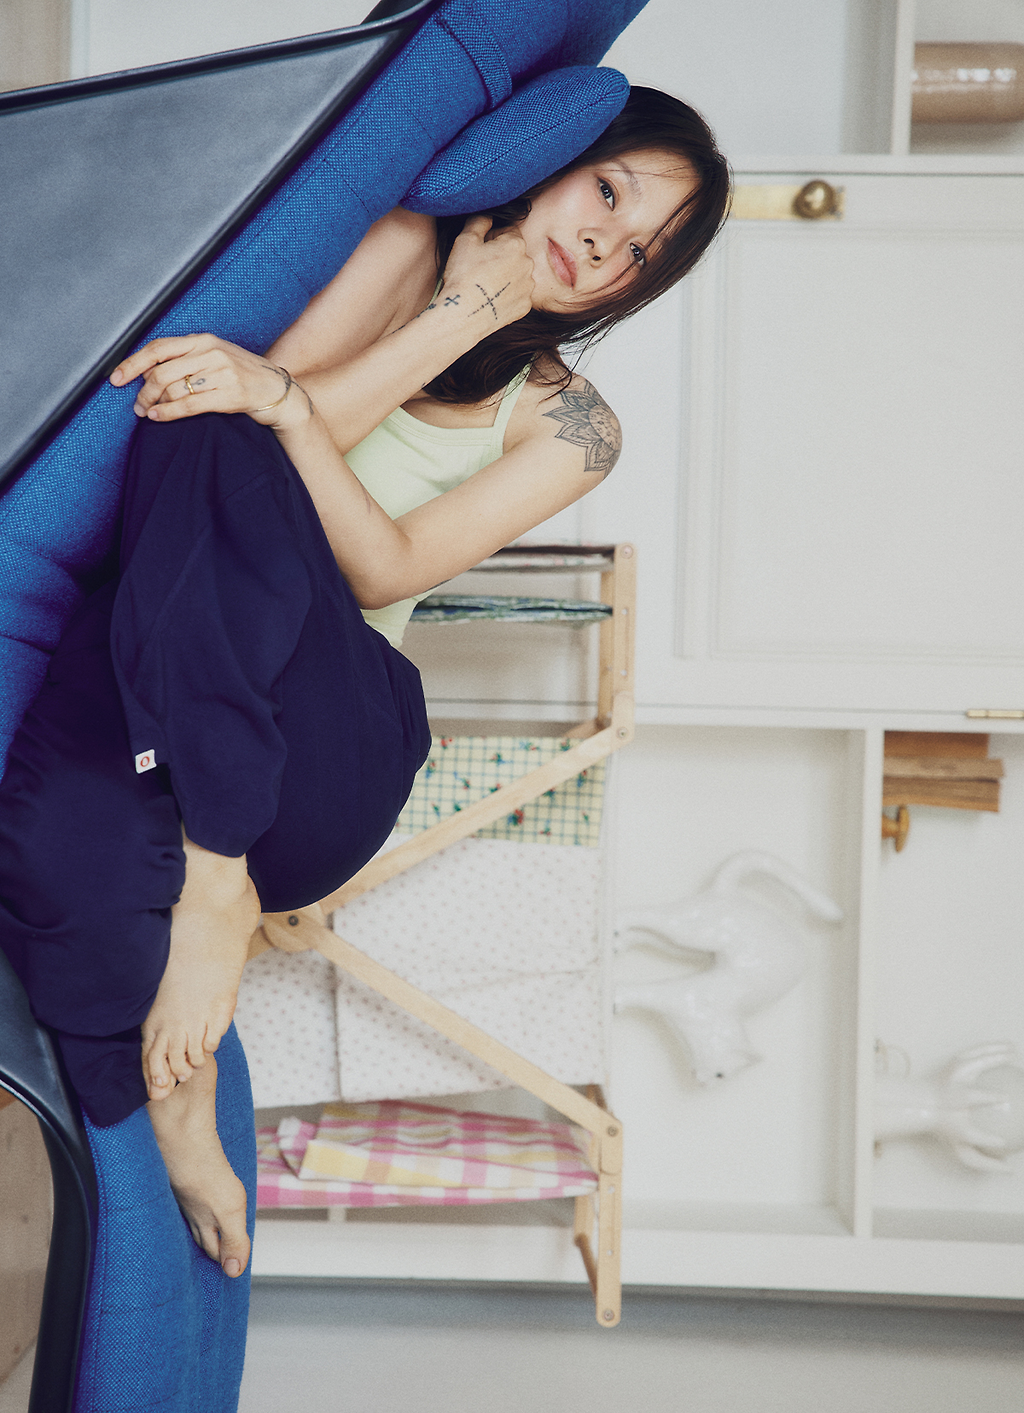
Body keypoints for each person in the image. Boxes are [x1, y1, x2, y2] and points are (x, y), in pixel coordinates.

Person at [0, 87, 729, 1283]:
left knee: (223, 424)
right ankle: (161, 1106)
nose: (606, 245)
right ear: (556, 160)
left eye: (641, 253)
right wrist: (444, 323)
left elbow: (382, 563)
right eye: (609, 193)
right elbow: (234, 422)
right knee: (53, 834)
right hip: (181, 690)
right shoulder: (399, 245)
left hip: (320, 757)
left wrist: (293, 402)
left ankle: (218, 880)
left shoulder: (573, 425)